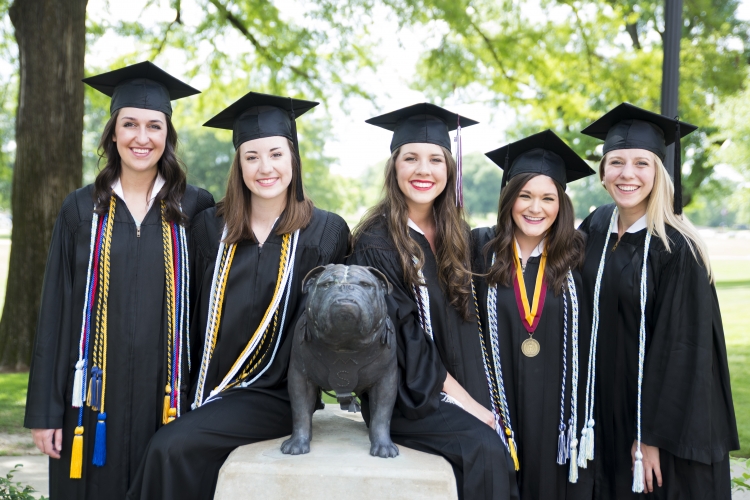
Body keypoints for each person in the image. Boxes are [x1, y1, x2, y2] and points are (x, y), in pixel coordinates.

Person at [126, 91, 350, 500]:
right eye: (251, 156)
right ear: (239, 164)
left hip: (278, 393)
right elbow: (186, 309)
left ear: (293, 159)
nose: (265, 168)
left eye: (276, 154)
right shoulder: (210, 228)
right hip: (206, 387)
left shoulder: (326, 233)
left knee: (169, 449)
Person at [24, 61, 215, 499]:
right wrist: (45, 413)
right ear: (113, 132)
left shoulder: (195, 208)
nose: (141, 137)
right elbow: (55, 312)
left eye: (154, 125)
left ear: (168, 134)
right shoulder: (80, 210)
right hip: (91, 402)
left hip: (168, 400)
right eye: (129, 124)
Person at [347, 103, 518, 500]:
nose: (424, 170)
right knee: (484, 449)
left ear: (449, 170)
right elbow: (406, 342)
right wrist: (470, 406)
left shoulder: (456, 234)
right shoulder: (376, 244)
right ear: (394, 169)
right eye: (411, 158)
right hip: (408, 394)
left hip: (459, 380)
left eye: (435, 159)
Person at [576, 103, 738, 498]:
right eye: (616, 162)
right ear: (602, 172)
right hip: (602, 411)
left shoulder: (678, 248)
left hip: (656, 422)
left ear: (659, 172)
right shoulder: (595, 226)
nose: (626, 174)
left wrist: (651, 438)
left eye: (641, 164)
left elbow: (685, 352)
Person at [472, 130, 595, 499]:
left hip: (558, 416)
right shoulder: (479, 249)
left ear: (562, 204)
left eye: (547, 198)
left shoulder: (580, 254)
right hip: (498, 408)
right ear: (509, 199)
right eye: (525, 195)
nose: (535, 208)